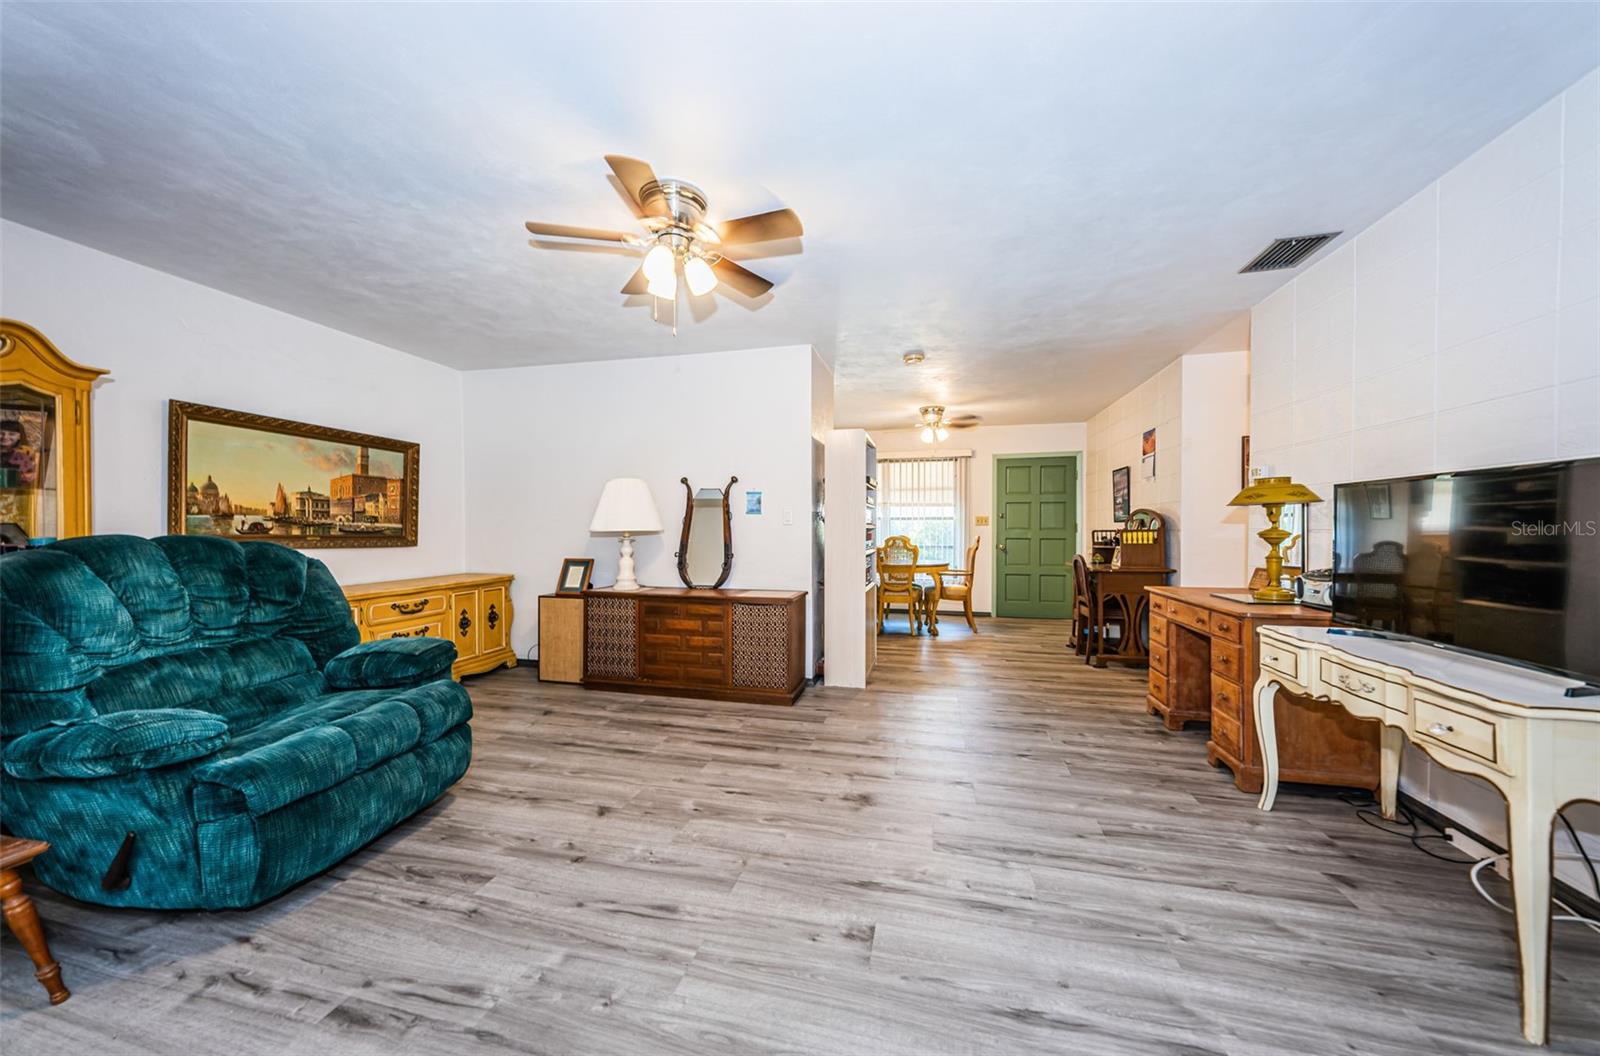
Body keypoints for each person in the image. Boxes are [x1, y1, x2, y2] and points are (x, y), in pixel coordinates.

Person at [0, 417, 40, 485]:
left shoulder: (23, 456)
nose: (5, 437)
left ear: (19, 436)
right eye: (1, 433)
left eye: (12, 434)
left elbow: (29, 479)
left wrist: (26, 477)